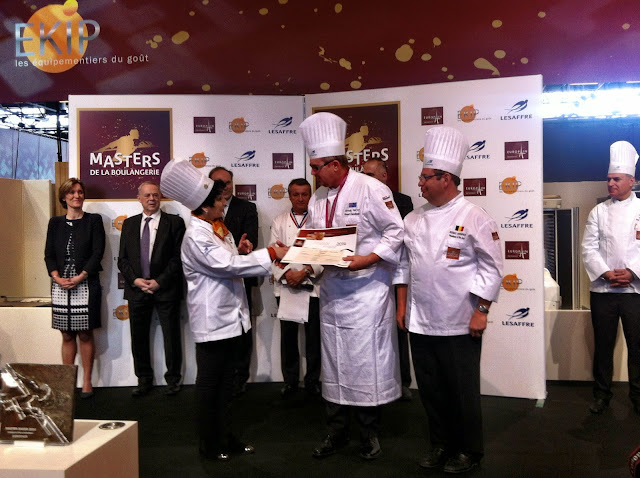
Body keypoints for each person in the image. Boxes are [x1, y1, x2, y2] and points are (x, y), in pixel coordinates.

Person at [160, 159, 288, 461]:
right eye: (218, 200)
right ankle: (210, 444)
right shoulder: (196, 235)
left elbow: (230, 260)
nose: (223, 203)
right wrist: (269, 252)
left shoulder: (216, 227)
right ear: (204, 207)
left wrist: (241, 251)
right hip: (213, 321)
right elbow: (226, 266)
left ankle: (227, 437)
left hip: (231, 317)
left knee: (227, 385)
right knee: (210, 386)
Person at [300, 112, 404, 461]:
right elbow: (314, 240)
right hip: (332, 292)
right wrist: (300, 258)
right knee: (333, 362)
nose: (313, 174)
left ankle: (369, 433)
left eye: (316, 168)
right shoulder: (318, 198)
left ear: (335, 164)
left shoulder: (371, 188)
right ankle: (336, 431)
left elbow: (396, 232)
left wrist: (369, 258)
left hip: (366, 292)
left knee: (364, 362)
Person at [398, 126, 503, 474]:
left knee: (462, 391)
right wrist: (403, 307)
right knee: (431, 390)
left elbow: (492, 267)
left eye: (426, 177)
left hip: (460, 320)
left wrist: (482, 310)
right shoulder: (413, 218)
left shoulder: (474, 215)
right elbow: (403, 266)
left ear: (446, 178)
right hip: (421, 321)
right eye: (421, 177)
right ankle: (440, 444)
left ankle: (469, 450)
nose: (420, 183)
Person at [582, 140, 640, 416]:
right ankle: (601, 395)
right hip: (603, 291)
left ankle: (638, 396)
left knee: (637, 347)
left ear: (631, 181)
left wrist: (632, 272)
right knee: (603, 347)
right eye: (609, 179)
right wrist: (607, 273)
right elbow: (588, 248)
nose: (611, 183)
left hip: (634, 291)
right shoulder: (598, 211)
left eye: (616, 179)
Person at [118, 181, 186, 397]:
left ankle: (173, 380)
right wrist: (135, 280)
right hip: (137, 289)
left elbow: (179, 257)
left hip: (166, 289)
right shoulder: (129, 224)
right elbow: (122, 260)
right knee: (138, 338)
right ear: (139, 198)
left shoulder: (175, 223)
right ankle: (143, 379)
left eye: (155, 195)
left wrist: (160, 281)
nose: (151, 199)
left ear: (160, 197)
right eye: (147, 195)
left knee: (171, 336)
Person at [44, 178, 105, 399]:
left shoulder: (94, 220)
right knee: (67, 334)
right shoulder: (55, 223)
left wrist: (80, 276)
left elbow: (98, 252)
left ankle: (87, 381)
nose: (76, 196)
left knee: (85, 333)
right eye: (71, 192)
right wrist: (57, 277)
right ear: (64, 197)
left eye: (80, 192)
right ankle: (67, 383)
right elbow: (49, 254)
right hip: (60, 284)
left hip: (86, 282)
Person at [362, 158, 414, 400]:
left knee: (398, 326)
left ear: (384, 176)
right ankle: (370, 381)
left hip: (394, 271)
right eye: (364, 174)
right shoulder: (356, 198)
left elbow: (400, 238)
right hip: (366, 275)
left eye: (371, 175)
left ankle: (403, 381)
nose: (366, 179)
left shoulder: (401, 201)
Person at [269, 178, 322, 399]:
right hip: (286, 286)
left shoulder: (319, 221)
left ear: (310, 195)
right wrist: (288, 275)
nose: (300, 198)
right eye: (296, 194)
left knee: (313, 339)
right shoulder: (279, 221)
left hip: (313, 286)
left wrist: (306, 271)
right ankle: (290, 381)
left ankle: (312, 381)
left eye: (305, 194)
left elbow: (324, 253)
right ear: (289, 196)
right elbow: (273, 252)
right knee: (288, 338)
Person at [209, 166, 259, 396]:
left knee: (242, 330)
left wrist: (243, 249)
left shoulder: (247, 208)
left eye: (227, 182)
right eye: (219, 183)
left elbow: (251, 241)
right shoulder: (203, 211)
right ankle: (222, 376)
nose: (225, 187)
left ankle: (241, 376)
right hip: (214, 281)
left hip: (241, 277)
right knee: (220, 331)